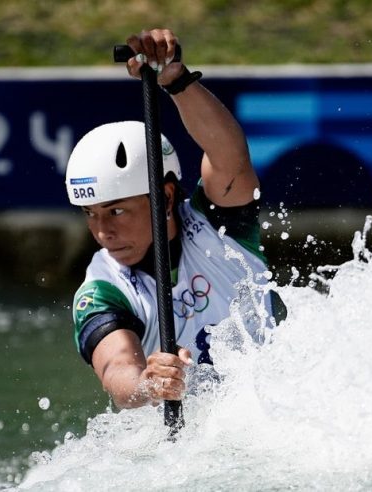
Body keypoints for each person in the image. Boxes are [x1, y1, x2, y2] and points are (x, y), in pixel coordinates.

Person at [66, 28, 283, 409]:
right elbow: (117, 368)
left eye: (116, 211)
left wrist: (176, 81)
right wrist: (147, 385)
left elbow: (228, 156)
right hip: (186, 449)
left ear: (165, 198)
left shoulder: (220, 226)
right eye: (91, 214)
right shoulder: (101, 290)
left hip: (268, 416)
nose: (103, 232)